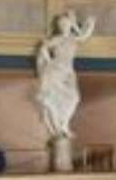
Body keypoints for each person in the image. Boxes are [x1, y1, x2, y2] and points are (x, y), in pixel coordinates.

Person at [35, 10, 95, 140]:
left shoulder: (73, 39)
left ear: (69, 26)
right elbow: (43, 48)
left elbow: (84, 35)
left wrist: (88, 24)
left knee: (74, 98)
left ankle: (64, 124)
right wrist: (49, 62)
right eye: (62, 25)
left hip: (68, 71)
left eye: (66, 24)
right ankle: (59, 127)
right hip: (56, 70)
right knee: (52, 99)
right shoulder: (57, 39)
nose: (64, 27)